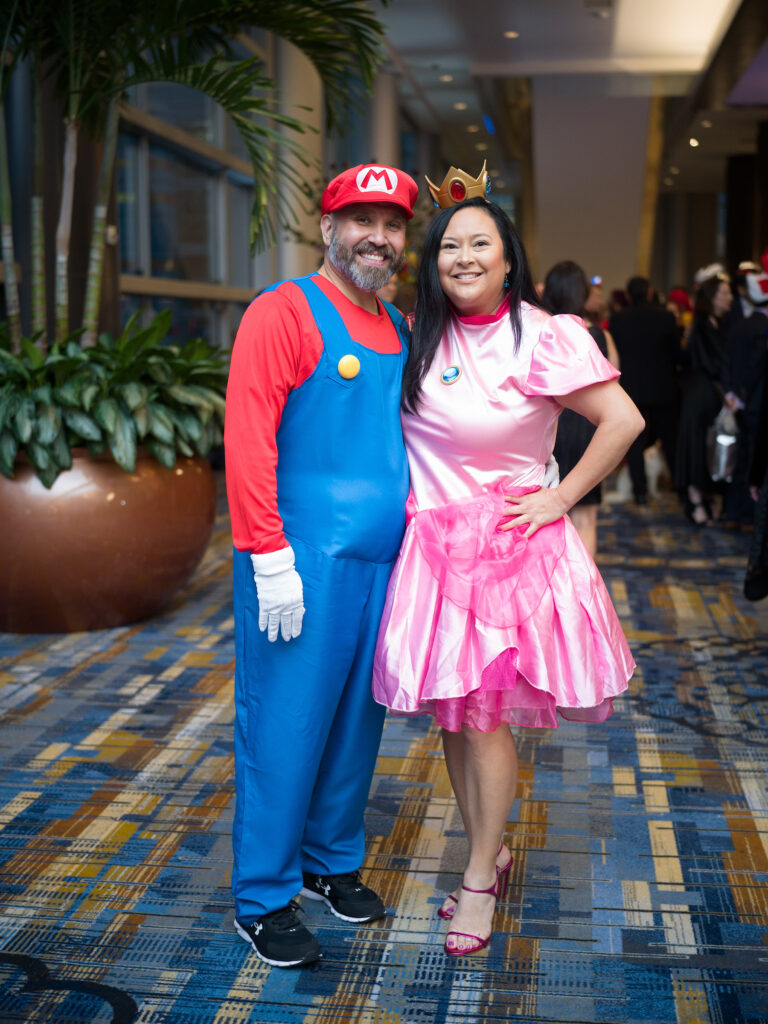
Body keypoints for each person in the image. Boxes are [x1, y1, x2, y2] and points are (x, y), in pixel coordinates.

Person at [372, 166, 644, 957]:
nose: (462, 256)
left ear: (506, 257)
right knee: (455, 724)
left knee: (486, 722)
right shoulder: (415, 333)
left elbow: (622, 421)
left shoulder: (544, 333)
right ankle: (489, 848)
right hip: (431, 552)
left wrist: (562, 498)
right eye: (449, 244)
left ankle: (481, 880)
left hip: (504, 561)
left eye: (478, 243)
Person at [224, 163, 418, 968]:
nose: (378, 236)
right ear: (329, 227)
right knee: (286, 722)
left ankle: (330, 862)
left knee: (354, 724)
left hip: (383, 561)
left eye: (394, 223)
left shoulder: (401, 326)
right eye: (362, 219)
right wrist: (267, 554)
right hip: (300, 562)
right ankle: (262, 895)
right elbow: (247, 436)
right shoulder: (284, 311)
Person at [542, 260, 620, 557]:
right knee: (586, 515)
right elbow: (614, 391)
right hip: (587, 429)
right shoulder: (599, 335)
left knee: (548, 512)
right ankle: (584, 587)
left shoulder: (541, 330)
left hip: (552, 428)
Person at [609, 276, 682, 505]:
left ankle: (640, 492)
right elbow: (676, 354)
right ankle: (680, 489)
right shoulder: (666, 317)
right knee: (670, 441)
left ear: (629, 295)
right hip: (662, 386)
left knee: (635, 444)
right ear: (650, 292)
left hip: (632, 388)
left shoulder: (618, 319)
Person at [674, 272, 733, 525]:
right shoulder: (702, 323)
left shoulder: (715, 322)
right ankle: (695, 498)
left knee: (706, 446)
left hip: (709, 393)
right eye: (724, 293)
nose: (730, 298)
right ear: (712, 297)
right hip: (701, 395)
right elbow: (713, 363)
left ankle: (704, 498)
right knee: (697, 446)